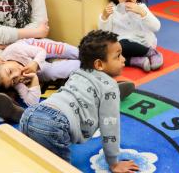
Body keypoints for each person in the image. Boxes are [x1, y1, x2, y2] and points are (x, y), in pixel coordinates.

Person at [20, 30, 140, 173]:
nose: (124, 59)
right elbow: (110, 127)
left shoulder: (76, 73)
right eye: (118, 56)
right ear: (99, 65)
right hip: (54, 124)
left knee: (31, 162)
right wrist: (114, 163)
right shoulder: (109, 87)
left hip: (30, 114)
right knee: (60, 169)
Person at [0, 38, 135, 123]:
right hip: (42, 71)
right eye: (13, 81)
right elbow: (33, 103)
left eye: (10, 71)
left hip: (39, 48)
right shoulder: (18, 80)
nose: (18, 74)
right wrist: (33, 79)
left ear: (1, 60)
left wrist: (34, 63)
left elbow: (42, 51)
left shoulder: (14, 51)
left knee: (71, 51)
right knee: (52, 71)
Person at [99, 0, 163, 72]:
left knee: (121, 45)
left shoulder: (141, 8)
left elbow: (156, 27)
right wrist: (104, 17)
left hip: (144, 44)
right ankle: (137, 61)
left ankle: (152, 53)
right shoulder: (113, 10)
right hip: (123, 47)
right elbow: (105, 34)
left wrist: (143, 13)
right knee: (107, 54)